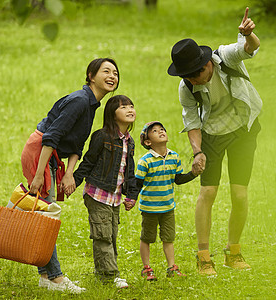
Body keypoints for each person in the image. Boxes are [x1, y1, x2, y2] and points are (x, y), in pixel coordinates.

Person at [167, 7, 262, 275]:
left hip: (244, 128)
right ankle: (203, 256)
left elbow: (250, 49)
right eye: (187, 77)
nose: (192, 81)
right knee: (207, 192)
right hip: (212, 135)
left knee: (239, 194)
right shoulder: (186, 86)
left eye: (194, 74)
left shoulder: (225, 57)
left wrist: (249, 35)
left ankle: (233, 252)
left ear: (206, 64)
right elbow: (192, 122)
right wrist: (197, 152)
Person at [20, 58, 120, 293]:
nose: (112, 76)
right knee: (47, 217)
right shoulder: (79, 101)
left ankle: (45, 276)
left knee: (45, 214)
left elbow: (78, 144)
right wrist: (37, 175)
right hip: (41, 152)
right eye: (106, 71)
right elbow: (51, 136)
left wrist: (69, 175)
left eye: (115, 73)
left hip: (52, 156)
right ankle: (55, 277)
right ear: (90, 75)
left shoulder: (92, 104)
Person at [73, 95, 139, 288]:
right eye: (123, 107)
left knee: (109, 235)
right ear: (112, 113)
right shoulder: (102, 136)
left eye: (131, 106)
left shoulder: (129, 141)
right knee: (102, 234)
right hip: (98, 194)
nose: (129, 109)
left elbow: (130, 171)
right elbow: (88, 161)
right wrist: (73, 181)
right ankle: (111, 275)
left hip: (115, 197)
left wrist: (132, 195)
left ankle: (104, 274)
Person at [136, 121, 198, 281]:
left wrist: (193, 173)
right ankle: (146, 268)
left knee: (168, 238)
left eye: (162, 129)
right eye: (155, 131)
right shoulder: (145, 161)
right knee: (147, 238)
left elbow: (178, 179)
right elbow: (137, 184)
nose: (161, 131)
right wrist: (130, 199)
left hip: (168, 207)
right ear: (148, 142)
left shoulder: (174, 157)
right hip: (149, 208)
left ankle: (171, 267)